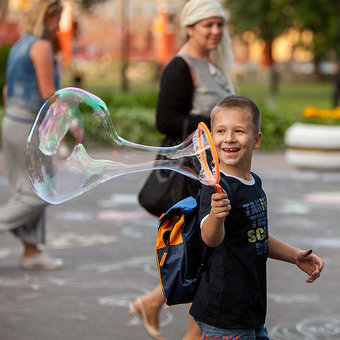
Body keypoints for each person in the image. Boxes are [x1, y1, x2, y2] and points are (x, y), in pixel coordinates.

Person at [130, 0, 234, 339]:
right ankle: (190, 332)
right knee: (205, 256)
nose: (216, 31)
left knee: (203, 256)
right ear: (190, 26)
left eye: (220, 24)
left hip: (212, 170)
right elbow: (166, 120)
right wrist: (216, 123)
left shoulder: (212, 64)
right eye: (208, 25)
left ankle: (155, 305)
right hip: (191, 174)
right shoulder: (180, 65)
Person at [189, 94, 324, 339]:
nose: (229, 138)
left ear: (256, 139)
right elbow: (210, 238)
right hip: (225, 314)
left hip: (250, 312)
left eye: (239, 131)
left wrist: (294, 255)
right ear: (210, 138)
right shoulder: (215, 187)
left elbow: (255, 234)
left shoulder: (254, 183)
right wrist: (217, 217)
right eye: (220, 131)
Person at [0, 0, 64, 270]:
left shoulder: (19, 45)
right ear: (48, 18)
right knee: (38, 194)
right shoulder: (41, 46)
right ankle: (30, 250)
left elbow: (6, 90)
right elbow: (48, 92)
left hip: (11, 122)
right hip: (29, 126)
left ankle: (31, 252)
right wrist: (72, 124)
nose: (59, 25)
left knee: (23, 189)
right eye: (57, 19)